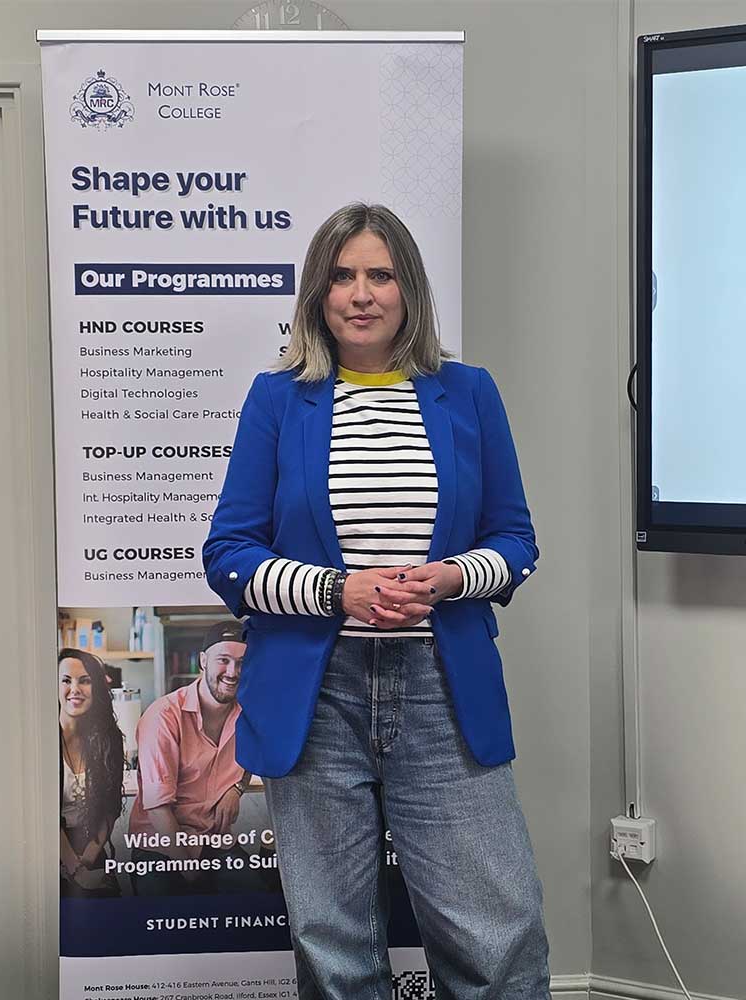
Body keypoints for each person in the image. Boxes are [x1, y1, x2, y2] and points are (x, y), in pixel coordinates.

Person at [204, 203, 550, 999]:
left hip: (441, 686)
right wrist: (339, 591)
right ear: (318, 295)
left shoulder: (467, 393)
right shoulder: (277, 399)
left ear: (410, 290)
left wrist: (453, 577)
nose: (361, 293)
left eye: (381, 274)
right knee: (333, 943)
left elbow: (515, 540)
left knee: (497, 932)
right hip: (313, 694)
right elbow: (228, 556)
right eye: (343, 275)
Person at [126, 620, 249, 895]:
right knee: (166, 926)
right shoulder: (164, 715)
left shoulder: (248, 714)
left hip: (215, 841)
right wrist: (188, 867)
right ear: (203, 660)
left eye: (242, 662)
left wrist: (237, 788)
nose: (233, 672)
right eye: (224, 660)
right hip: (160, 847)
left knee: (257, 908)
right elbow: (158, 808)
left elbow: (256, 757)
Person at [57, 648, 125, 898]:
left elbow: (110, 807)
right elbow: (42, 814)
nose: (75, 689)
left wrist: (87, 860)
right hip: (46, 847)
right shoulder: (40, 736)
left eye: (84, 680)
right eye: (66, 680)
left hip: (90, 846)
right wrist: (75, 871)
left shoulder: (109, 738)